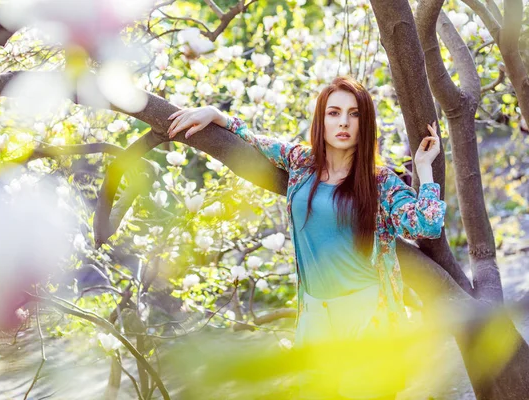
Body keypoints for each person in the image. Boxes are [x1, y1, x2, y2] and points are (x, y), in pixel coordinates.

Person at [167, 76, 446, 399]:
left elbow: (426, 225)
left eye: (354, 114)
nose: (343, 122)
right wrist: (217, 114)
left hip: (366, 316)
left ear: (365, 123)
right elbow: (255, 140)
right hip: (314, 315)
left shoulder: (379, 180)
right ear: (321, 119)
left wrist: (424, 168)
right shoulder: (302, 162)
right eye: (334, 113)